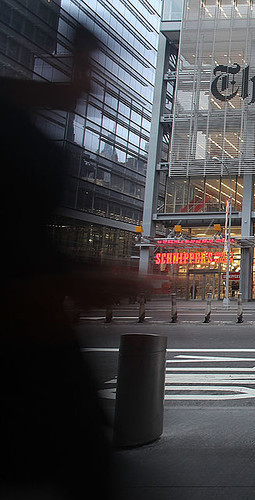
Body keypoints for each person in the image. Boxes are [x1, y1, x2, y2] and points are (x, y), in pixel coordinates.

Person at [0, 24, 146, 499]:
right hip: (27, 333)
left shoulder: (25, 126)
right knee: (82, 458)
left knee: (84, 458)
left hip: (43, 333)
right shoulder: (13, 127)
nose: (89, 83)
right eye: (82, 64)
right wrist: (76, 278)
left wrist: (83, 275)